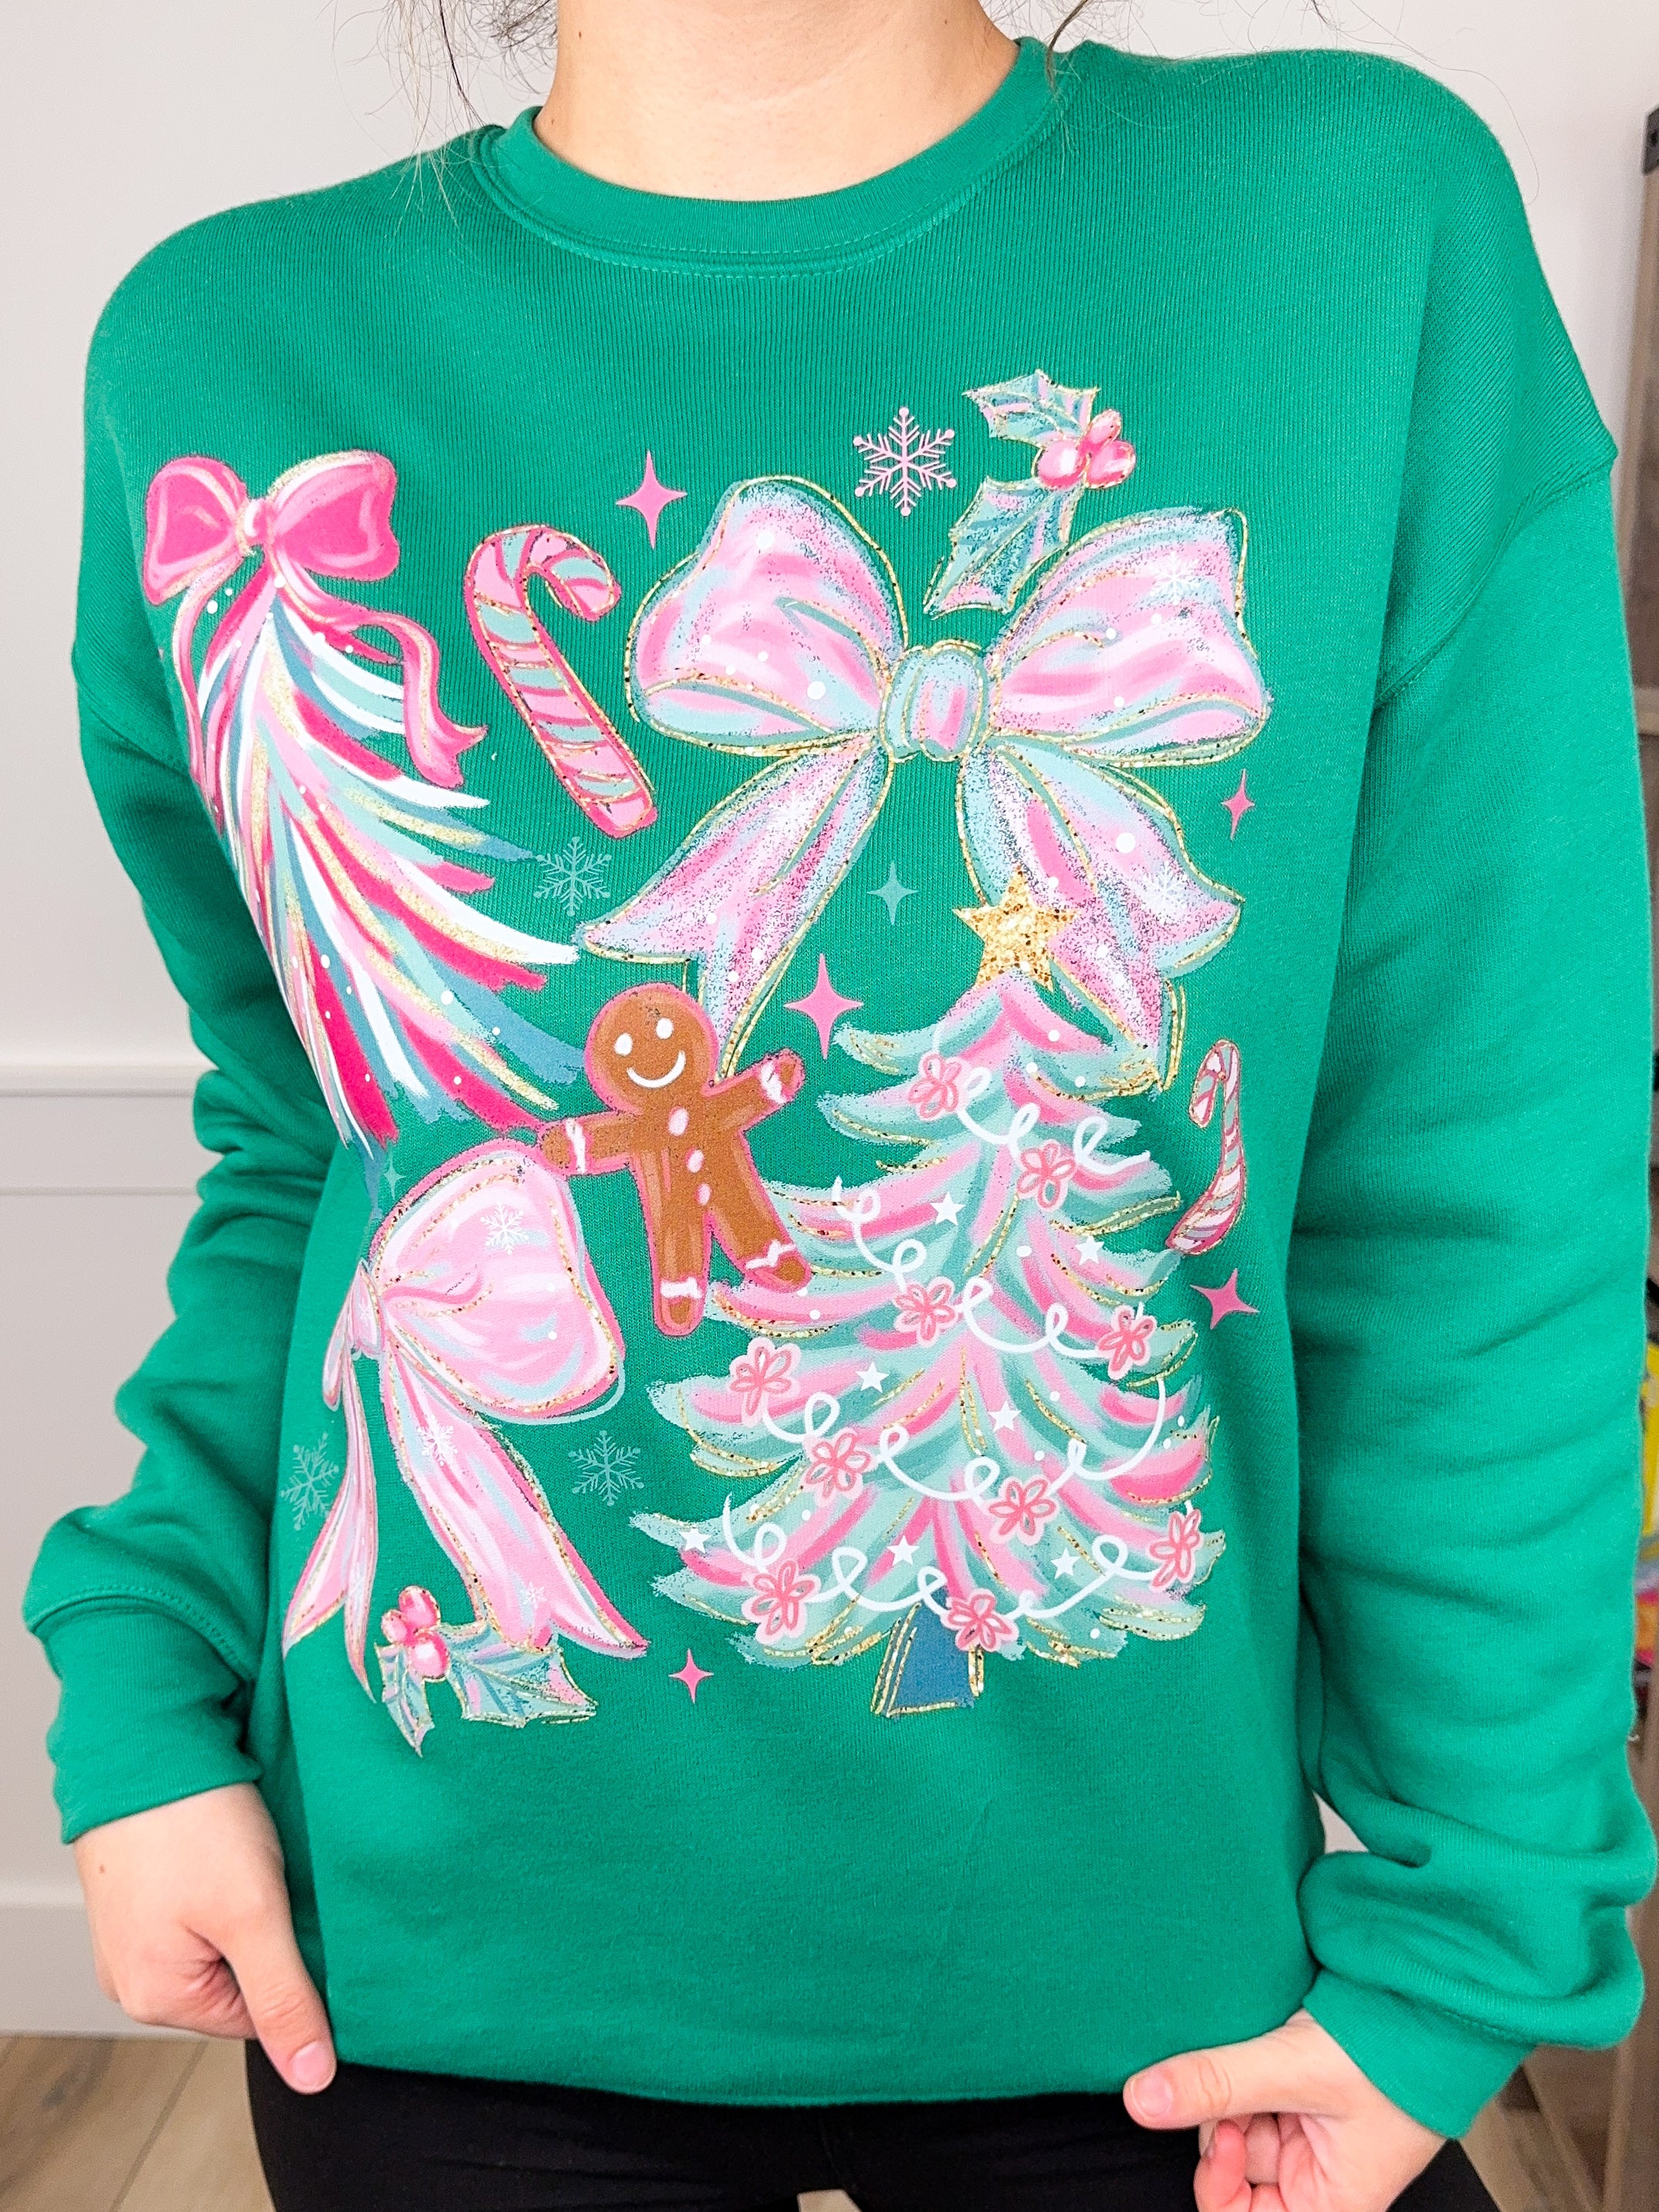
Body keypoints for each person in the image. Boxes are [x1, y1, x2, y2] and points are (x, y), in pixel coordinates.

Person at [26, 0, 1654, 2206]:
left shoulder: (1356, 227)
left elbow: (1471, 1193)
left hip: (1186, 2021)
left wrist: (1472, 1925)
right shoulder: (223, 346)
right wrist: (149, 1682)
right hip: (427, 1969)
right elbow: (310, 1148)